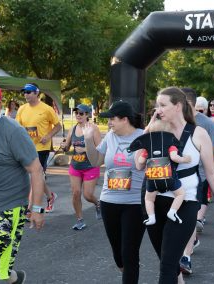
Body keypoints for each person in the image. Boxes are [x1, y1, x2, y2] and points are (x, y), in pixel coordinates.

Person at [136, 87, 214, 284]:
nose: (157, 109)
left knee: (168, 263)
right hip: (153, 198)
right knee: (165, 258)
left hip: (185, 201)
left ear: (177, 106)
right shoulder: (156, 130)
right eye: (156, 105)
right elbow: (138, 162)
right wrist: (149, 128)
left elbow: (211, 171)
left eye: (162, 105)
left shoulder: (199, 134)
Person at [0, 81, 45, 284]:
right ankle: (14, 278)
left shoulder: (13, 131)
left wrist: (38, 209)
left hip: (4, 208)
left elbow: (36, 170)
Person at [83, 101, 146, 284]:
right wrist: (88, 140)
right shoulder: (110, 136)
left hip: (134, 203)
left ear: (125, 119)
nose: (109, 123)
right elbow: (95, 161)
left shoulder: (143, 137)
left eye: (112, 119)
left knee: (129, 253)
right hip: (109, 202)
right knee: (118, 254)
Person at [179, 87, 214, 275]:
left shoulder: (207, 124)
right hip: (172, 180)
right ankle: (188, 245)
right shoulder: (169, 121)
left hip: (197, 178)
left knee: (189, 218)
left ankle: (186, 257)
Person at [130, 119, 191, 225]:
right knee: (181, 194)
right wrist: (186, 159)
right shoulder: (170, 145)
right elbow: (174, 157)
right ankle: (172, 212)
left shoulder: (147, 148)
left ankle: (151, 217)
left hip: (152, 180)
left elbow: (140, 161)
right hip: (168, 178)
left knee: (148, 199)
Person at [16, 83, 61, 213]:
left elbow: (58, 126)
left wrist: (48, 135)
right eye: (24, 92)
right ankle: (50, 196)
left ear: (36, 93)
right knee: (38, 177)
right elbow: (18, 129)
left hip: (42, 148)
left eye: (29, 92)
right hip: (26, 147)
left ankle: (29, 209)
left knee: (34, 177)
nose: (26, 95)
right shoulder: (22, 109)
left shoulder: (46, 109)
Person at [60, 104, 102, 230]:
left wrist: (85, 148)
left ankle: (98, 204)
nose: (78, 115)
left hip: (91, 165)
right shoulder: (73, 128)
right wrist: (64, 146)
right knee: (76, 193)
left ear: (87, 115)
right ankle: (80, 220)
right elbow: (67, 147)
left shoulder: (93, 129)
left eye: (81, 113)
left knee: (88, 195)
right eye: (76, 112)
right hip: (75, 166)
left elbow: (101, 149)